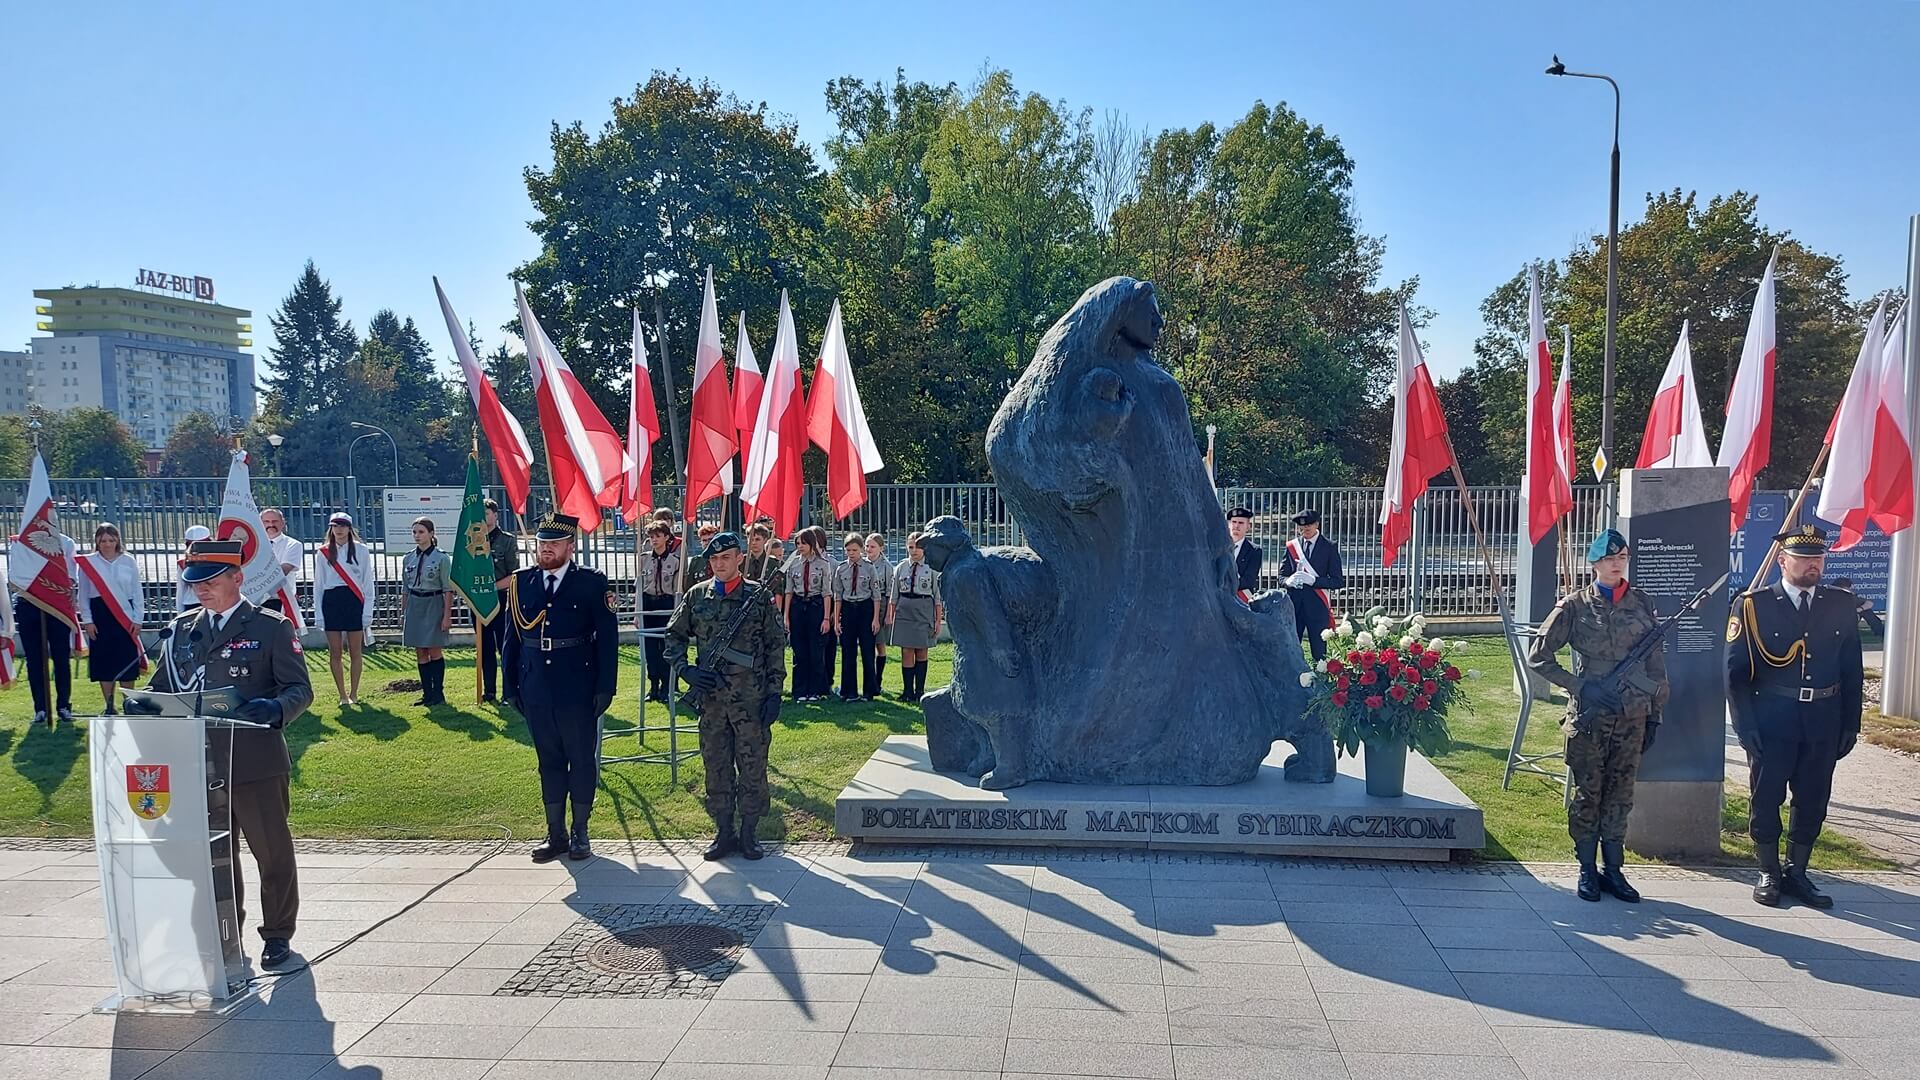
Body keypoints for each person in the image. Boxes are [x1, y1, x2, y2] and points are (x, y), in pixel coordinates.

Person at [140, 538, 313, 969]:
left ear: (237, 578)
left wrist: (276, 708)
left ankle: (277, 934)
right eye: (195, 582)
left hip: (255, 760)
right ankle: (223, 932)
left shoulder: (271, 627)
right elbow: (164, 687)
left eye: (211, 581)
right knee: (214, 855)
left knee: (271, 852)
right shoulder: (181, 629)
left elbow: (300, 690)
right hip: (199, 761)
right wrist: (140, 702)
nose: (201, 590)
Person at [1527, 529, 1669, 904]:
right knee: (1589, 793)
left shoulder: (1641, 602)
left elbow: (1655, 665)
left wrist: (1655, 714)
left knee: (1621, 794)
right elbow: (1538, 656)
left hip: (1632, 714)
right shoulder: (1573, 607)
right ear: (1594, 564)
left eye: (1622, 557)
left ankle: (1614, 870)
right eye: (1609, 559)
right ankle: (1587, 869)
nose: (1616, 564)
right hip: (1591, 715)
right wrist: (1580, 687)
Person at [1728, 525, 1864, 910]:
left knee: (1814, 797)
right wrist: (1745, 725)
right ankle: (1769, 871)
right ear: (1783, 561)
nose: (1812, 566)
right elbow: (1735, 674)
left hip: (1823, 718)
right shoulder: (1754, 605)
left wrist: (1851, 723)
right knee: (1766, 796)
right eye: (1804, 559)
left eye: (1818, 558)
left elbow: (1851, 668)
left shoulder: (1839, 603)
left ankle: (1798, 872)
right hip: (1773, 720)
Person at [503, 513, 618, 862]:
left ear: (570, 546)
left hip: (577, 684)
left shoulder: (591, 583)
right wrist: (510, 685)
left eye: (553, 543)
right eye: (542, 544)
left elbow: (608, 639)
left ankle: (581, 832)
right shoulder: (522, 582)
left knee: (581, 759)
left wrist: (605, 687)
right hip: (536, 684)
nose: (546, 549)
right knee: (548, 760)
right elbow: (513, 638)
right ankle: (556, 834)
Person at [665, 531, 786, 861]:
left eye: (726, 558)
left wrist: (775, 693)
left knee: (752, 766)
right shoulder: (697, 596)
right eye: (714, 559)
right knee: (716, 766)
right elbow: (673, 637)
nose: (719, 564)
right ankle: (723, 832)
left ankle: (749, 833)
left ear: (739, 559)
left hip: (751, 700)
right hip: (713, 701)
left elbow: (776, 647)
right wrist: (686, 670)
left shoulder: (757, 598)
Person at [77, 522, 144, 715]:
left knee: (126, 659)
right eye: (103, 540)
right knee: (104, 660)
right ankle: (109, 705)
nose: (107, 544)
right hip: (100, 615)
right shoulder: (88, 563)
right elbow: (82, 594)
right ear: (97, 541)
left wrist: (138, 618)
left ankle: (129, 703)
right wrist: (88, 620)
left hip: (124, 615)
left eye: (111, 540)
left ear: (118, 541)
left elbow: (137, 592)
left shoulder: (128, 560)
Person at [16, 529, 81, 726]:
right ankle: (41, 709)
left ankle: (63, 706)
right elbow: (16, 574)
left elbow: (71, 575)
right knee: (34, 660)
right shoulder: (21, 542)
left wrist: (52, 590)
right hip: (29, 603)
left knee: (61, 657)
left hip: (57, 602)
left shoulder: (66, 542)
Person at [313, 512, 375, 705]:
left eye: (342, 525)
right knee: (335, 651)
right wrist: (319, 615)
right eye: (335, 526)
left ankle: (354, 692)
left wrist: (367, 612)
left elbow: (367, 582)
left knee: (355, 650)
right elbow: (319, 584)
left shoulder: (361, 550)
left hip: (353, 599)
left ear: (349, 528)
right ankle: (342, 695)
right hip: (332, 601)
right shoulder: (323, 552)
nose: (338, 529)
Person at [1276, 508, 1344, 662]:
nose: (1304, 529)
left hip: (1317, 607)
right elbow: (1281, 577)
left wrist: (1314, 581)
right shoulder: (1292, 547)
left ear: (1317, 524)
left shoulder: (1329, 547)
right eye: (1301, 526)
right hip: (1294, 607)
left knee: (1320, 654)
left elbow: (1338, 581)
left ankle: (1321, 681)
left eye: (1308, 525)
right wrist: (1288, 581)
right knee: (1291, 651)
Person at [401, 517, 453, 707]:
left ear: (431, 534)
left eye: (421, 532)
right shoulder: (408, 557)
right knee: (420, 651)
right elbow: (405, 587)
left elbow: (448, 589)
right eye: (414, 532)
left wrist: (447, 616)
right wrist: (403, 611)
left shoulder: (441, 558)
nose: (417, 536)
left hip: (433, 603)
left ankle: (438, 693)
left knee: (433, 649)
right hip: (415, 603)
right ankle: (427, 693)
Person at [887, 532, 943, 703]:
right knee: (906, 650)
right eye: (911, 547)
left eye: (918, 547)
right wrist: (891, 616)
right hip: (905, 610)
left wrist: (937, 620)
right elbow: (894, 595)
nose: (914, 551)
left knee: (921, 650)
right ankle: (907, 691)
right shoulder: (901, 567)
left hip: (924, 608)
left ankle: (920, 691)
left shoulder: (932, 568)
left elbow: (937, 596)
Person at [784, 526, 834, 701]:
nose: (800, 546)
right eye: (798, 543)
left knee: (815, 651)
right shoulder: (793, 563)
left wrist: (826, 618)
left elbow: (827, 592)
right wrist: (786, 616)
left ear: (812, 544)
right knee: (799, 650)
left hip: (816, 606)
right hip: (798, 606)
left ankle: (816, 690)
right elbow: (789, 590)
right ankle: (799, 690)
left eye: (804, 543)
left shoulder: (823, 564)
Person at [479, 499, 520, 704]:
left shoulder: (507, 540)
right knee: (484, 647)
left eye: (487, 514)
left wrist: (492, 587)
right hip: (479, 600)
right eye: (481, 514)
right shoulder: (472, 540)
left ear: (495, 515)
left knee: (504, 647)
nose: (484, 518)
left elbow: (514, 574)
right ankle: (489, 691)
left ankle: (508, 692)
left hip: (501, 598)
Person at [637, 520, 683, 702]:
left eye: (657, 536)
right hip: (649, 603)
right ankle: (653, 686)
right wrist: (636, 613)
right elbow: (639, 587)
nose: (654, 540)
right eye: (651, 536)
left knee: (666, 647)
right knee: (650, 649)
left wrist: (676, 612)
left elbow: (678, 589)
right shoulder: (644, 558)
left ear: (666, 537)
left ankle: (666, 686)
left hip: (666, 603)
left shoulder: (674, 561)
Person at [833, 531, 881, 700]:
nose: (851, 554)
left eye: (854, 550)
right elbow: (838, 595)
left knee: (868, 652)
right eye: (848, 550)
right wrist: (837, 619)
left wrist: (875, 619)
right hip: (848, 609)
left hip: (865, 608)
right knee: (848, 652)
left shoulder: (869, 567)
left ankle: (869, 691)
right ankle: (849, 691)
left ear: (861, 549)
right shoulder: (841, 569)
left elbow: (876, 595)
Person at [865, 532, 895, 695]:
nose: (868, 549)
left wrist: (889, 614)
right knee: (867, 644)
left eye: (872, 546)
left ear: (881, 548)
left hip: (882, 603)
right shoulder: (862, 563)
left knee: (880, 643)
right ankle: (869, 680)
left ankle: (878, 679)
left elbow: (890, 592)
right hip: (866, 602)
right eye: (867, 546)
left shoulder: (887, 567)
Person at [259, 509, 303, 615]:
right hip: (256, 601)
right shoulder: (252, 546)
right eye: (266, 521)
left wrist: (256, 577)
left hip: (281, 601)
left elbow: (283, 571)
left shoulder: (293, 545)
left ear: (283, 523)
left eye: (275, 521)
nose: (271, 525)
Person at [741, 523, 787, 616]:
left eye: (757, 539)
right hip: (745, 608)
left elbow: (778, 590)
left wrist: (777, 613)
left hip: (767, 608)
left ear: (765, 540)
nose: (753, 543)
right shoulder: (741, 562)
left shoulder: (773, 563)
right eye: (750, 539)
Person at [177, 524, 212, 614]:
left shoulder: (183, 563)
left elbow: (180, 591)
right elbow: (180, 590)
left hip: (191, 604)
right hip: (209, 602)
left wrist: (180, 612)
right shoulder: (182, 563)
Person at [1226, 506, 1262, 594]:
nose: (1236, 526)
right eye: (1234, 522)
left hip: (1241, 599)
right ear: (1228, 524)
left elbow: (1248, 580)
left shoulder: (1254, 551)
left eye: (1241, 523)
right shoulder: (1218, 547)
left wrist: (1225, 586)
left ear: (1248, 527)